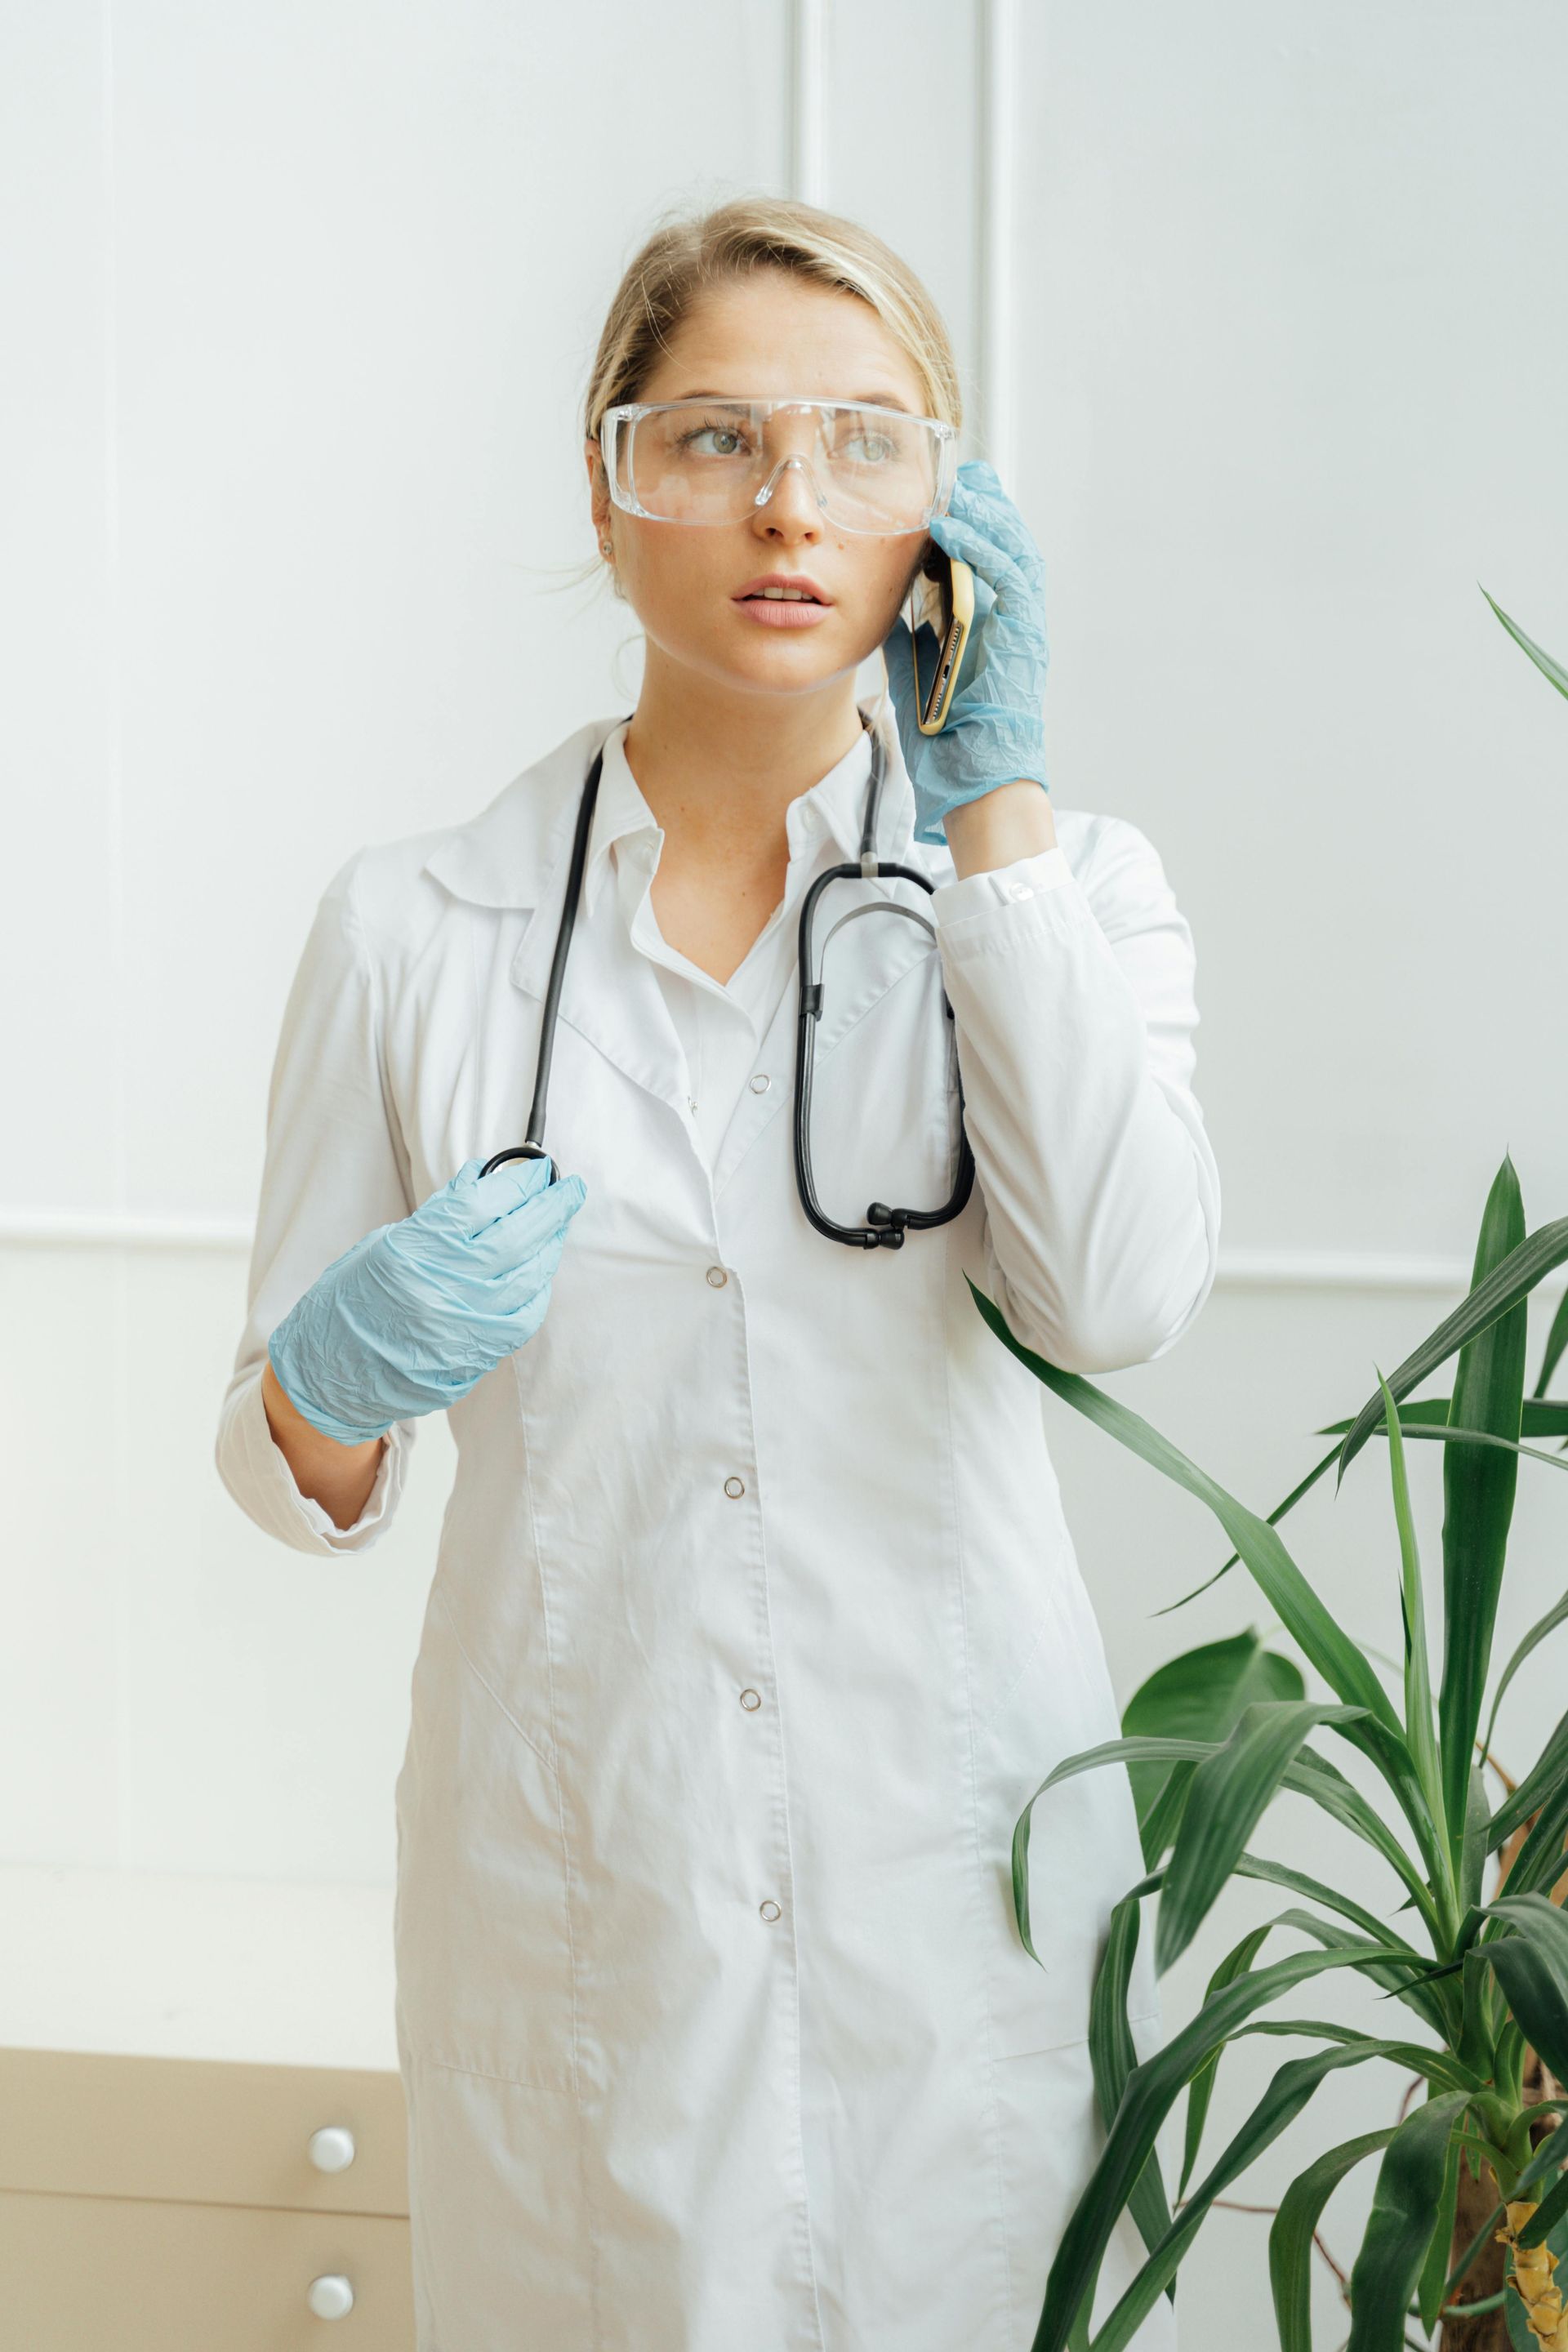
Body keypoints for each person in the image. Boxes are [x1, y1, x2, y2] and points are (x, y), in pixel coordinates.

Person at [215, 194, 1218, 2352]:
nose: (788, 504)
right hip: (588, 1894)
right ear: (608, 485)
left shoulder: (1070, 891)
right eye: (714, 438)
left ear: (948, 522)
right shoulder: (416, 927)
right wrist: (334, 1368)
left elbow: (1118, 1294)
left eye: (868, 442)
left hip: (957, 1892)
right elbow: (285, 1457)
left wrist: (1001, 812)